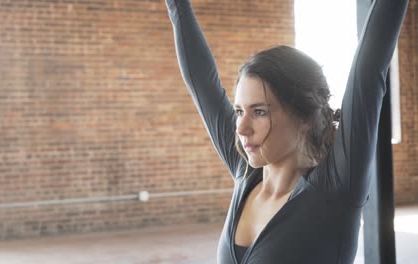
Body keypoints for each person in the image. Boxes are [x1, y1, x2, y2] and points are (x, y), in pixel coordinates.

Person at [165, 0, 409, 263]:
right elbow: (201, 80)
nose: (242, 129)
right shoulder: (246, 171)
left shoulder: (337, 187)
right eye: (238, 111)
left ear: (304, 117)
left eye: (259, 112)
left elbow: (369, 68)